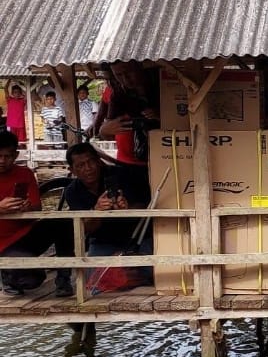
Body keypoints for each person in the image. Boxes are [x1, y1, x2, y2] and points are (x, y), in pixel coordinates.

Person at [63, 143, 152, 285]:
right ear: (72, 170)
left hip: (137, 237)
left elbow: (147, 205)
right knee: (93, 277)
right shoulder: (72, 191)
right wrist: (96, 212)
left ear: (99, 161)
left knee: (153, 270)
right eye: (80, 165)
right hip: (103, 241)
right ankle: (122, 276)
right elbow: (86, 228)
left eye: (91, 161)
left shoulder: (122, 175)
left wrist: (128, 209)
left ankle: (123, 276)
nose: (88, 168)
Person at [0, 131, 75, 296]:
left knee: (62, 222)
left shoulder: (25, 173)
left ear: (16, 155)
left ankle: (64, 279)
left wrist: (26, 207)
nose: (2, 161)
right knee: (34, 278)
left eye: (7, 156)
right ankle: (8, 275)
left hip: (26, 235)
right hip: (3, 243)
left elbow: (37, 207)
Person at [96, 61, 160, 204]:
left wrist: (161, 116)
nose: (125, 79)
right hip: (128, 163)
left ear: (139, 66)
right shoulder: (118, 94)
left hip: (164, 159)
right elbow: (105, 132)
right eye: (119, 75)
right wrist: (104, 129)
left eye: (128, 72)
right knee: (133, 204)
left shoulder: (161, 83)